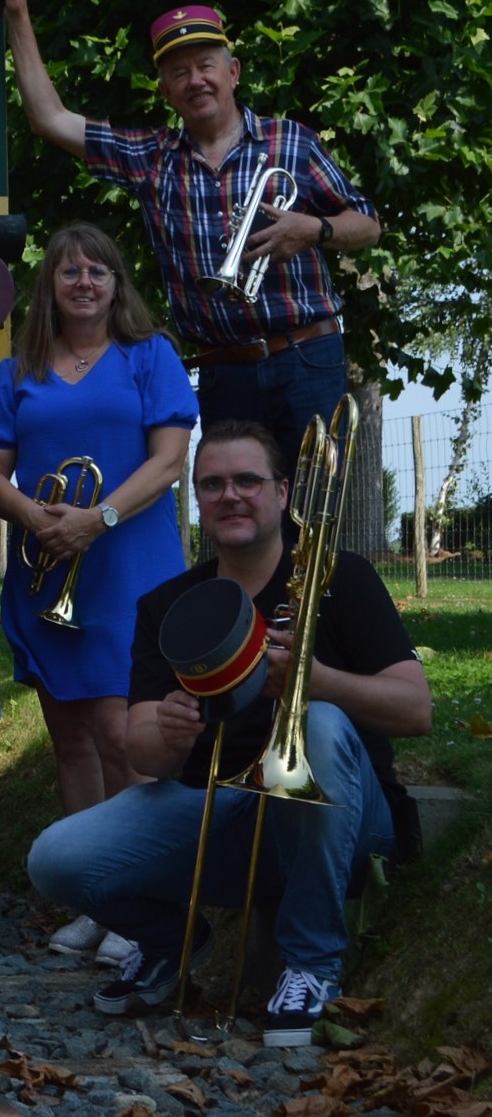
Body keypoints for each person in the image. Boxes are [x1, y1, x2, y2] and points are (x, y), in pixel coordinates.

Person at [26, 420, 429, 1042]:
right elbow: (143, 754)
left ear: (284, 494)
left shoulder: (339, 576)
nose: (230, 496)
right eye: (212, 484)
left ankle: (313, 965)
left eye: (247, 480)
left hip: (342, 819)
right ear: (197, 500)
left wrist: (317, 680)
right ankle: (169, 944)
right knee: (56, 859)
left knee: (316, 722)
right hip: (224, 813)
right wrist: (170, 731)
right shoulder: (167, 604)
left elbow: (416, 711)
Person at [0, 0, 379, 457]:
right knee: (237, 516)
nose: (196, 80)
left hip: (308, 354)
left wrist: (315, 229)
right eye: (179, 72)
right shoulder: (152, 157)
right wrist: (18, 13)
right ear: (165, 90)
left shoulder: (292, 141)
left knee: (317, 515)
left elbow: (367, 223)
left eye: (206, 65)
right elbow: (49, 119)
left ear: (233, 72)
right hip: (225, 369)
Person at [0, 223, 196, 965]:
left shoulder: (150, 357)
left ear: (116, 285)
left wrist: (98, 519)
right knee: (70, 740)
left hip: (127, 566)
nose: (83, 282)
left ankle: (136, 906)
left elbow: (170, 462)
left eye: (97, 271)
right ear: (50, 289)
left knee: (120, 736)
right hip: (49, 566)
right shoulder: (17, 372)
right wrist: (35, 519)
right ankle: (91, 900)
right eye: (69, 271)